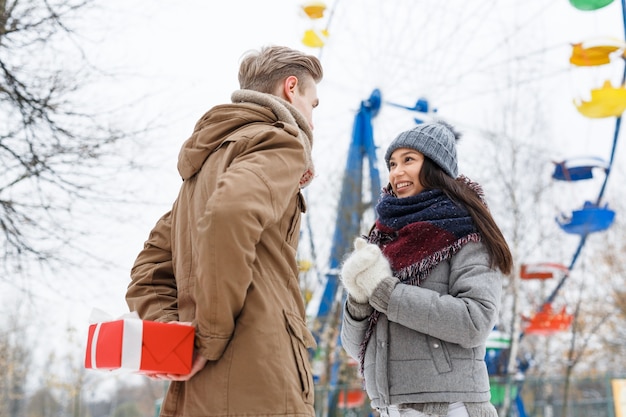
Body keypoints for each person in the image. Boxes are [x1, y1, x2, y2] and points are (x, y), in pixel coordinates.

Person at [126, 45, 323, 417]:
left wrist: (178, 342)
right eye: (313, 105)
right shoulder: (280, 141)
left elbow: (148, 271)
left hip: (199, 389)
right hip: (259, 379)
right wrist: (206, 339)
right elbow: (229, 214)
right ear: (291, 88)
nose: (312, 122)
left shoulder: (203, 167)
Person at [339, 120, 513, 417]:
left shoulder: (466, 231)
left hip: (449, 408)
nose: (397, 171)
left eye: (409, 160)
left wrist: (384, 293)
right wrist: (358, 299)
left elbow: (475, 321)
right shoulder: (383, 237)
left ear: (435, 166)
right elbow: (355, 347)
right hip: (389, 408)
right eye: (392, 163)